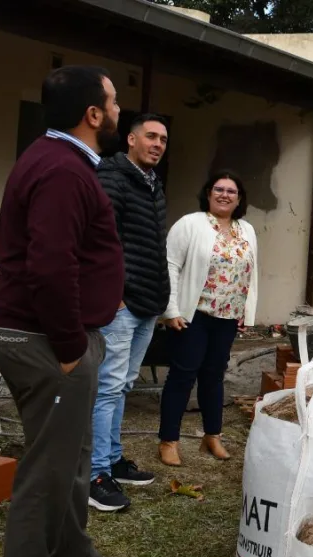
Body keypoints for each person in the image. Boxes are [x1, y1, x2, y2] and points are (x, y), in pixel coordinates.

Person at [0, 66, 128, 557]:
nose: (117, 111)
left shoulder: (59, 161)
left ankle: (72, 555)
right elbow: (50, 265)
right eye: (112, 103)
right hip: (47, 341)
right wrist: (70, 348)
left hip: (51, 336)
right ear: (92, 114)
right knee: (49, 469)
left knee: (72, 458)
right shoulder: (63, 170)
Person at [87, 114, 170, 512]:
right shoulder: (113, 175)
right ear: (132, 139)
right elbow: (101, 239)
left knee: (122, 386)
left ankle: (114, 459)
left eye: (163, 140)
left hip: (148, 303)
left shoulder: (153, 184)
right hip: (121, 303)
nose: (157, 144)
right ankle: (94, 474)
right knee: (107, 387)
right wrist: (113, 293)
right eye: (151, 137)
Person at [157, 171, 258, 466]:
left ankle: (212, 436)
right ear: (208, 193)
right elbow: (170, 266)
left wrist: (247, 311)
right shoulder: (190, 224)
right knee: (182, 376)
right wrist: (171, 310)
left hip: (227, 317)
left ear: (239, 199)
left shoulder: (246, 230)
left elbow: (252, 273)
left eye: (231, 191)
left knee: (214, 377)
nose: (224, 195)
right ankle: (168, 441)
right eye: (219, 189)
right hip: (193, 316)